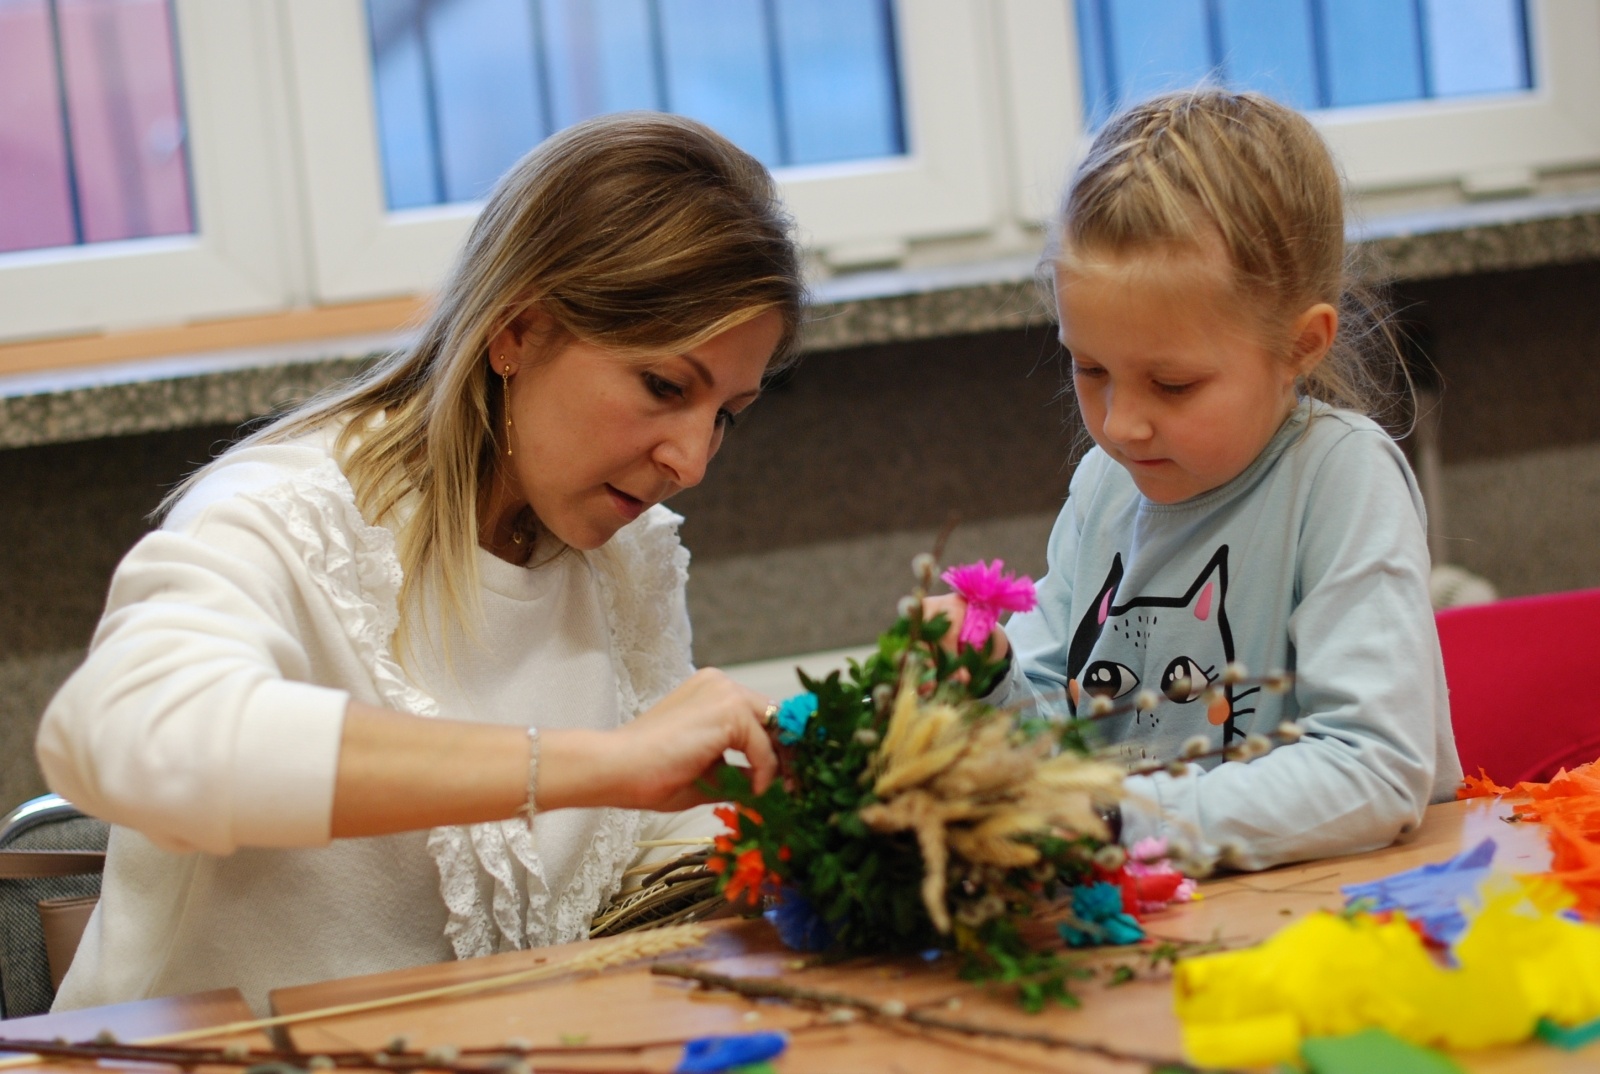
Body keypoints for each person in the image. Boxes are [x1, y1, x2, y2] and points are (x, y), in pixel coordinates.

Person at [35, 113, 802, 1013]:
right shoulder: (284, 514)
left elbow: (627, 859)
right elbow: (121, 735)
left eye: (727, 413)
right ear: (516, 330)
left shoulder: (624, 558)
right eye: (665, 387)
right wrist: (604, 761)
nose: (692, 460)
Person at [929, 89, 1461, 871]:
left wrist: (1125, 821)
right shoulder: (1106, 485)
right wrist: (984, 678)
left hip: (1333, 921)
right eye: (1091, 369)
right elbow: (1050, 723)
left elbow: (1375, 769)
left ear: (1300, 346)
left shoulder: (1340, 477)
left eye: (1173, 385)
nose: (1120, 425)